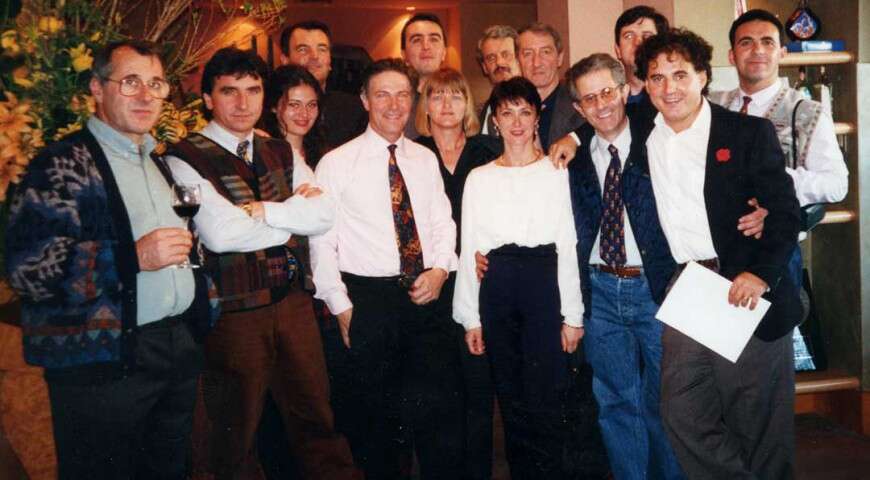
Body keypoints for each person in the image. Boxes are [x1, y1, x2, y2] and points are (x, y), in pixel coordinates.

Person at [5, 40, 217, 479]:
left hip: (173, 352)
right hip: (103, 364)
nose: (145, 95)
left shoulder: (157, 162)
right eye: (131, 82)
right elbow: (28, 268)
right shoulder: (60, 163)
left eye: (156, 84)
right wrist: (133, 256)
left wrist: (201, 305)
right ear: (97, 89)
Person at [166, 47, 359, 480]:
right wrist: (292, 218)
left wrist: (265, 212)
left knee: (318, 422)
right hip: (234, 315)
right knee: (232, 438)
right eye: (229, 91)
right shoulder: (182, 157)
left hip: (293, 307)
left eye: (253, 90)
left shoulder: (280, 151)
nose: (242, 102)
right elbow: (220, 234)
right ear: (207, 99)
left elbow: (325, 215)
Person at [635, 28, 801, 478]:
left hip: (742, 287)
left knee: (760, 427)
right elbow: (591, 122)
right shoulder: (644, 136)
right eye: (656, 78)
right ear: (645, 85)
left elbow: (786, 213)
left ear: (703, 76)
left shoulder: (747, 133)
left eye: (680, 75)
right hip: (688, 287)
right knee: (681, 413)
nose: (669, 88)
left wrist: (761, 274)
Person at [311, 58, 464, 479]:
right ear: (364, 100)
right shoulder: (336, 164)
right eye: (382, 94)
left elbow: (442, 224)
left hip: (426, 296)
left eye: (402, 94)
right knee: (377, 427)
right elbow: (322, 243)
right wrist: (341, 307)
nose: (394, 105)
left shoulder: (423, 159)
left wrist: (439, 272)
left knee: (436, 419)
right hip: (369, 302)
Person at [454, 76, 597, 479]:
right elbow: (470, 251)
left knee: (547, 397)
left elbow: (567, 244)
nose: (516, 122)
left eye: (525, 112)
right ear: (494, 122)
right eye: (506, 113)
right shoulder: (479, 178)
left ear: (537, 118)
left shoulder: (555, 171)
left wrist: (573, 316)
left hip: (543, 285)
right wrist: (471, 318)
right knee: (511, 399)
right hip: (497, 286)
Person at [564, 53, 684, 480]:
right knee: (615, 401)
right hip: (600, 291)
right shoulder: (572, 158)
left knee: (666, 400)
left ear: (625, 90)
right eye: (589, 98)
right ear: (578, 108)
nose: (601, 105)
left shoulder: (660, 139)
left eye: (608, 92)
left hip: (655, 287)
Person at [413, 67, 501, 480]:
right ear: (425, 104)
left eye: (455, 95)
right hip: (433, 284)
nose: (446, 105)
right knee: (436, 392)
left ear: (468, 103)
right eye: (436, 96)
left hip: (480, 285)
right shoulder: (413, 153)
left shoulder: (489, 149)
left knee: (478, 389)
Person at [280, 20, 367, 152]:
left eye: (322, 49)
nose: (314, 56)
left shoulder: (353, 110)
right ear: (285, 60)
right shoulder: (270, 111)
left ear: (330, 60)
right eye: (303, 49)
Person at [516, 22, 584, 150]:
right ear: (517, 60)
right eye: (528, 54)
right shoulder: (507, 111)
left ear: (559, 58)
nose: (536, 63)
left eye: (545, 52)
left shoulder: (581, 106)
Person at [401, 12, 447, 139]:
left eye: (434, 39)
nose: (426, 46)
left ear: (444, 52)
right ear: (404, 54)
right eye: (417, 40)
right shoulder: (395, 104)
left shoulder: (459, 100)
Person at [614, 6, 670, 111]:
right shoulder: (607, 105)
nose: (638, 42)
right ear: (618, 50)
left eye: (648, 36)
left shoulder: (673, 98)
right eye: (629, 36)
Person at [476, 24, 521, 135]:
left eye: (506, 55)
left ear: (518, 59)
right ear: (484, 67)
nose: (499, 62)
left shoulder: (538, 107)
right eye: (491, 58)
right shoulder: (476, 115)